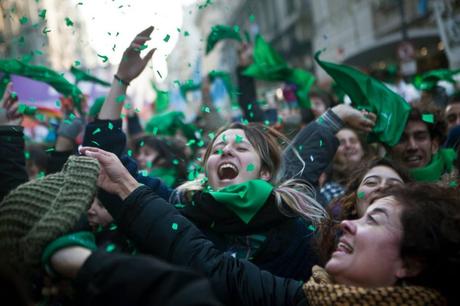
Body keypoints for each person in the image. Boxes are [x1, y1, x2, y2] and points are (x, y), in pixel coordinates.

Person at [60, 147, 459, 305]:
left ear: (412, 263)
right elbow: (215, 268)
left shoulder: (297, 235)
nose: (348, 227)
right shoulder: (310, 296)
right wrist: (128, 187)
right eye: (217, 148)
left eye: (373, 219)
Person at [387, 104, 457, 183]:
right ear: (390, 149)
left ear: (434, 145)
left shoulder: (457, 171)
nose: (412, 146)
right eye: (402, 139)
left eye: (420, 137)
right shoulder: (379, 183)